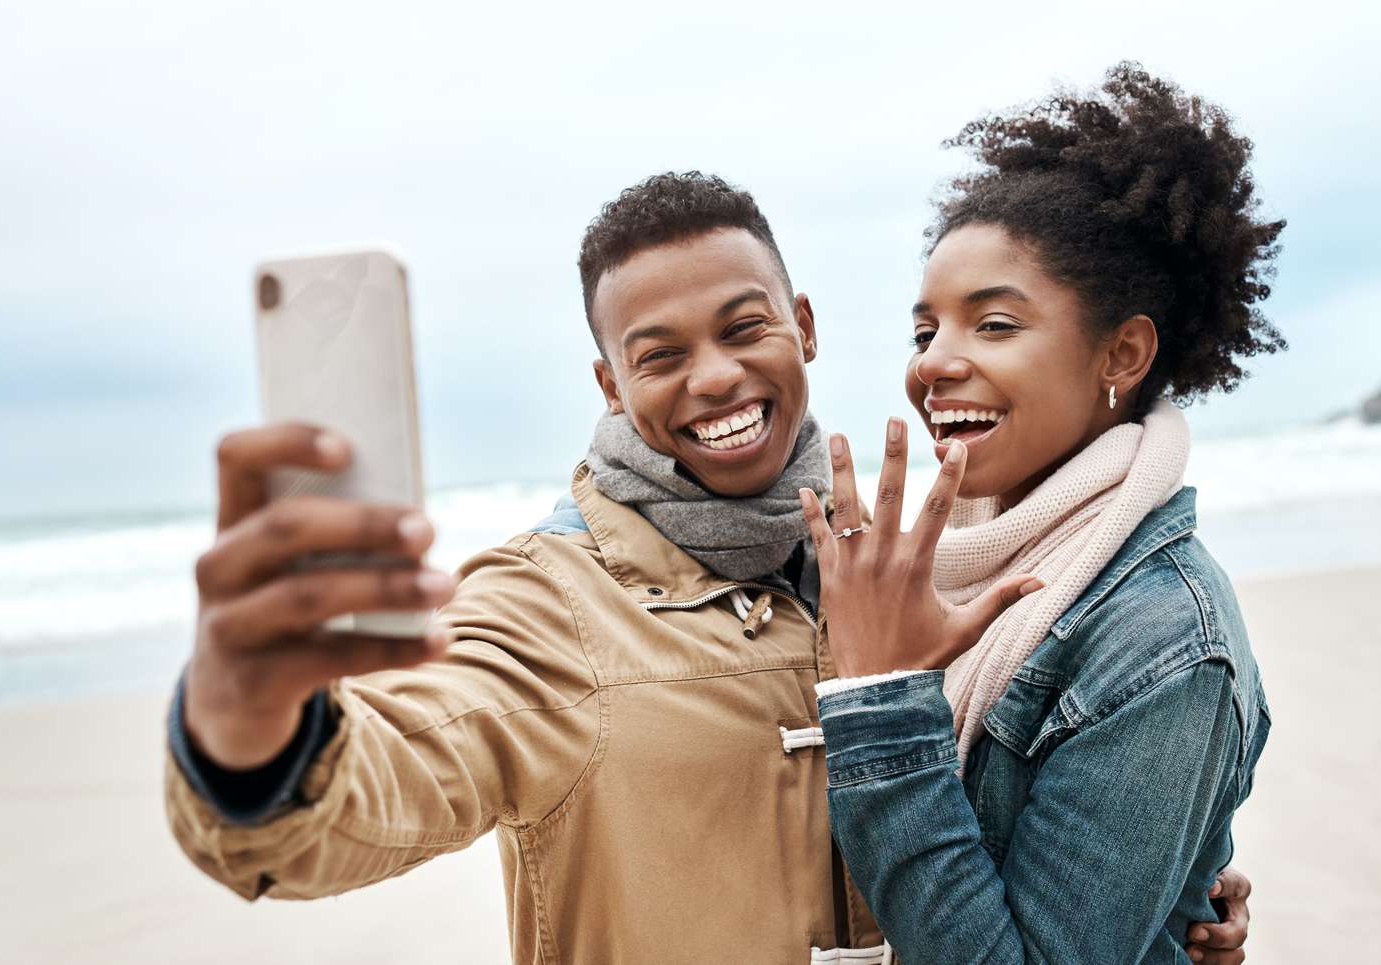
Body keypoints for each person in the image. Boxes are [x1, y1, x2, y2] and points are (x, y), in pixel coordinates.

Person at [166, 171, 1252, 963]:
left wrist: (1161, 909)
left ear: (805, 328)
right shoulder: (548, 602)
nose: (718, 378)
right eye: (660, 354)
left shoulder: (901, 556)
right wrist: (244, 726)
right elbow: (365, 790)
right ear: (608, 382)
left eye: (745, 327)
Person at [802, 64, 1275, 964]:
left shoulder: (1166, 638)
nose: (934, 363)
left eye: (994, 325)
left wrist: (880, 698)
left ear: (1123, 352)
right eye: (924, 329)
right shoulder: (932, 559)